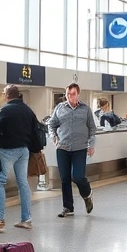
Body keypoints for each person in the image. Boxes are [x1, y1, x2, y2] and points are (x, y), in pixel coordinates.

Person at [0, 84, 41, 231]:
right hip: (24, 150)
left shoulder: (6, 109)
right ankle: (26, 219)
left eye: (4, 93)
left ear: (7, 95)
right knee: (23, 183)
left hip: (8, 150)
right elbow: (34, 131)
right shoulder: (27, 110)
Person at [48, 83, 96, 218]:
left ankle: (87, 194)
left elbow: (92, 128)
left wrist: (91, 145)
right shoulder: (60, 108)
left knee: (78, 176)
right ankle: (68, 207)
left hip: (80, 148)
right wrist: (54, 136)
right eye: (68, 94)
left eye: (73, 94)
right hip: (63, 148)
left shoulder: (85, 109)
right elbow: (51, 124)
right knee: (65, 178)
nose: (70, 97)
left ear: (78, 94)